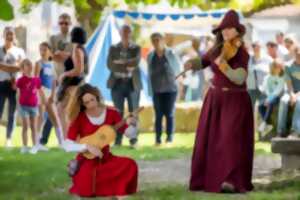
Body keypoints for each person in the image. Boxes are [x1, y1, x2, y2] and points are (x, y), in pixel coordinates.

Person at [185, 10, 254, 193]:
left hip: (235, 101)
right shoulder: (218, 48)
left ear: (237, 31)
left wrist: (223, 64)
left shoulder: (242, 53)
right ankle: (207, 178)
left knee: (230, 140)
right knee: (211, 140)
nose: (225, 32)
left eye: (229, 28)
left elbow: (239, 78)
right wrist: (192, 63)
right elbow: (204, 61)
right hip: (215, 100)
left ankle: (231, 180)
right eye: (223, 28)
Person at [63, 83, 138, 198]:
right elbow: (67, 144)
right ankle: (109, 187)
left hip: (105, 157)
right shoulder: (80, 117)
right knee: (87, 180)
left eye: (92, 100)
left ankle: (116, 191)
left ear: (96, 96)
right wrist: (86, 147)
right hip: (86, 159)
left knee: (130, 164)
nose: (91, 104)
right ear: (82, 104)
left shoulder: (111, 113)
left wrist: (133, 124)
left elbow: (129, 134)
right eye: (86, 103)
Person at [39, 13, 73, 145]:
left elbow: (76, 57)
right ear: (58, 24)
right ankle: (44, 140)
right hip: (57, 80)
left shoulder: (74, 39)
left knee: (66, 110)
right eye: (61, 23)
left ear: (70, 24)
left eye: (66, 23)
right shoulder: (53, 38)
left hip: (72, 80)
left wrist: (62, 55)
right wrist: (62, 56)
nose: (63, 25)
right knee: (54, 109)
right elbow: (49, 56)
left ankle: (68, 139)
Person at [107, 24, 142, 147]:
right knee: (118, 114)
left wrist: (120, 62)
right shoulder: (113, 48)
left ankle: (133, 140)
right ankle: (118, 140)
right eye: (123, 31)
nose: (125, 34)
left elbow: (136, 62)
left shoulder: (137, 48)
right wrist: (127, 64)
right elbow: (110, 65)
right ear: (120, 33)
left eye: (128, 31)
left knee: (133, 113)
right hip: (117, 84)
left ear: (130, 33)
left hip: (132, 84)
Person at [53, 26, 88, 138]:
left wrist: (64, 74)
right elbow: (73, 59)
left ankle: (68, 139)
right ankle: (68, 138)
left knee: (62, 110)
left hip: (73, 84)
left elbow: (79, 69)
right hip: (73, 84)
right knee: (62, 110)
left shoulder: (77, 50)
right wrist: (64, 54)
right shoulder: (79, 48)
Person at [147, 32, 180, 145]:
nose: (156, 42)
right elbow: (148, 72)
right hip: (156, 90)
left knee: (169, 113)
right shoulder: (150, 56)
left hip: (170, 89)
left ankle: (169, 137)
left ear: (162, 40)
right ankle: (157, 138)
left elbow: (178, 68)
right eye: (153, 40)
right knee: (158, 114)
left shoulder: (171, 53)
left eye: (157, 39)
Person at [33, 42, 64, 153]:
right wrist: (42, 95)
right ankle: (37, 144)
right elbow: (36, 81)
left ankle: (62, 143)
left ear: (49, 51)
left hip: (50, 93)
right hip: (41, 92)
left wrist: (52, 95)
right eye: (40, 50)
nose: (42, 52)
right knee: (41, 118)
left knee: (55, 118)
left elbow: (54, 81)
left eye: (44, 50)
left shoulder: (52, 64)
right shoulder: (38, 63)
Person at [0, 26, 26, 147]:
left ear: (14, 36)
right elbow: (15, 67)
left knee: (12, 113)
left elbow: (23, 67)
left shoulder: (19, 51)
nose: (9, 36)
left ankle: (9, 139)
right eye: (7, 34)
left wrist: (4, 66)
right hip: (1, 83)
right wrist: (15, 66)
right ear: (3, 35)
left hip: (14, 85)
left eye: (11, 34)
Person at [16, 59, 42, 153]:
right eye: (27, 65)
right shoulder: (20, 80)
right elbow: (18, 93)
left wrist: (39, 103)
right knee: (25, 126)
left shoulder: (37, 80)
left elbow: (38, 92)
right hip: (23, 106)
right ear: (23, 68)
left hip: (34, 107)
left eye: (30, 64)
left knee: (33, 127)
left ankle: (35, 146)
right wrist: (18, 105)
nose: (29, 66)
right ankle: (24, 146)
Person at [258, 60, 285, 136]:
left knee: (270, 103)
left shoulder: (282, 77)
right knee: (260, 105)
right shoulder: (268, 77)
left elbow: (278, 90)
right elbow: (266, 88)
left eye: (280, 67)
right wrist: (267, 98)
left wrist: (269, 99)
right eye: (277, 67)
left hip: (278, 96)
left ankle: (264, 123)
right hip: (269, 96)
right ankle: (268, 124)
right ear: (273, 67)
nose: (279, 68)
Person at [277, 47, 300, 137]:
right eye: (298, 54)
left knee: (299, 102)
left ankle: (295, 131)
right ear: (294, 54)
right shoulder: (288, 66)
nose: (299, 56)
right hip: (291, 91)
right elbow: (288, 83)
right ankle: (281, 131)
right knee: (283, 101)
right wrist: (291, 95)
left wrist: (296, 95)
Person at [247, 41, 270, 108]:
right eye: (254, 46)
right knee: (250, 108)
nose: (255, 48)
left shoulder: (267, 59)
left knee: (263, 108)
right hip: (251, 87)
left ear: (261, 47)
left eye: (257, 46)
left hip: (263, 87)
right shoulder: (249, 58)